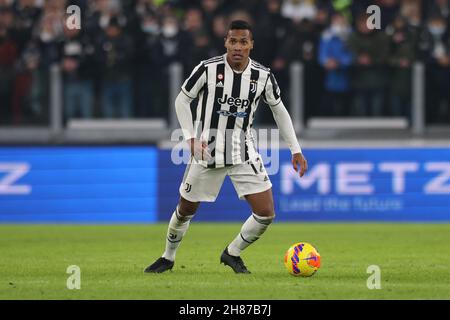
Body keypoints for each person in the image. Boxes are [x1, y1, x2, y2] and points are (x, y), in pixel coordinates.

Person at [144, 20, 307, 274]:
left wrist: (295, 149)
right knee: (186, 209)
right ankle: (168, 257)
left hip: (243, 152)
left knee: (266, 213)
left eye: (243, 42)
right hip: (206, 151)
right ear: (226, 43)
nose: (238, 47)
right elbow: (181, 101)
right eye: (233, 41)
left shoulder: (262, 76)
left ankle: (232, 253)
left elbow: (280, 111)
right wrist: (189, 138)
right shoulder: (207, 69)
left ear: (251, 45)